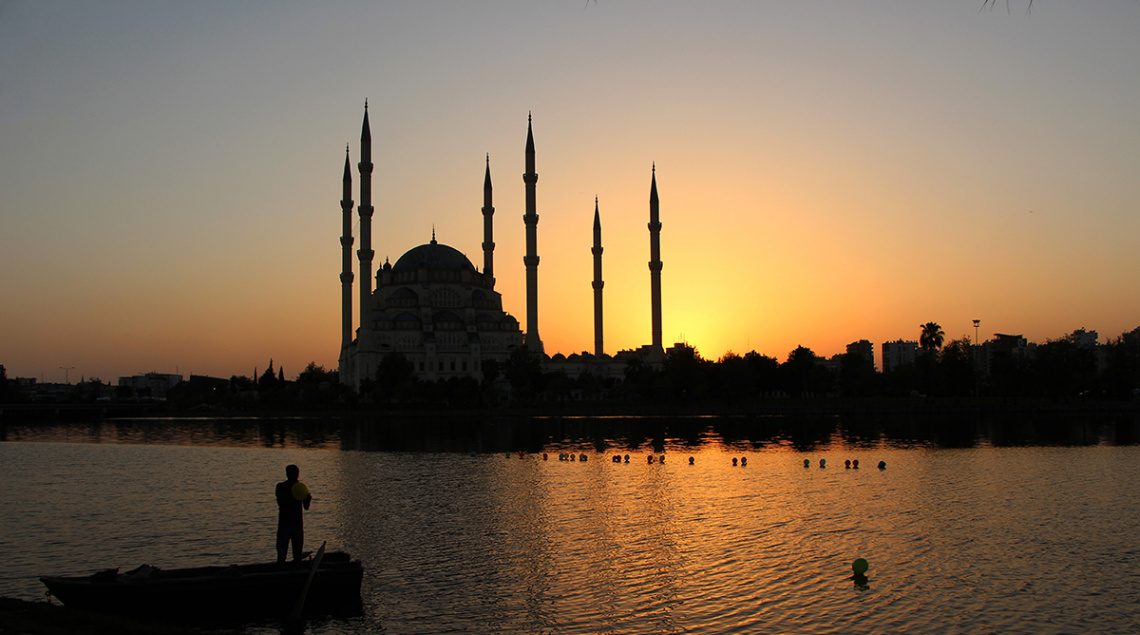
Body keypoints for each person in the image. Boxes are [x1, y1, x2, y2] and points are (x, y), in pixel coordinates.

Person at [275, 464, 312, 564]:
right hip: (285, 525)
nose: (296, 476)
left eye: (297, 474)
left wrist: (307, 499)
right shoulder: (281, 487)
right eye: (294, 474)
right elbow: (281, 503)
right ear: (288, 474)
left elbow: (306, 507)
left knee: (297, 555)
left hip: (297, 525)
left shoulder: (301, 488)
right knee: (282, 555)